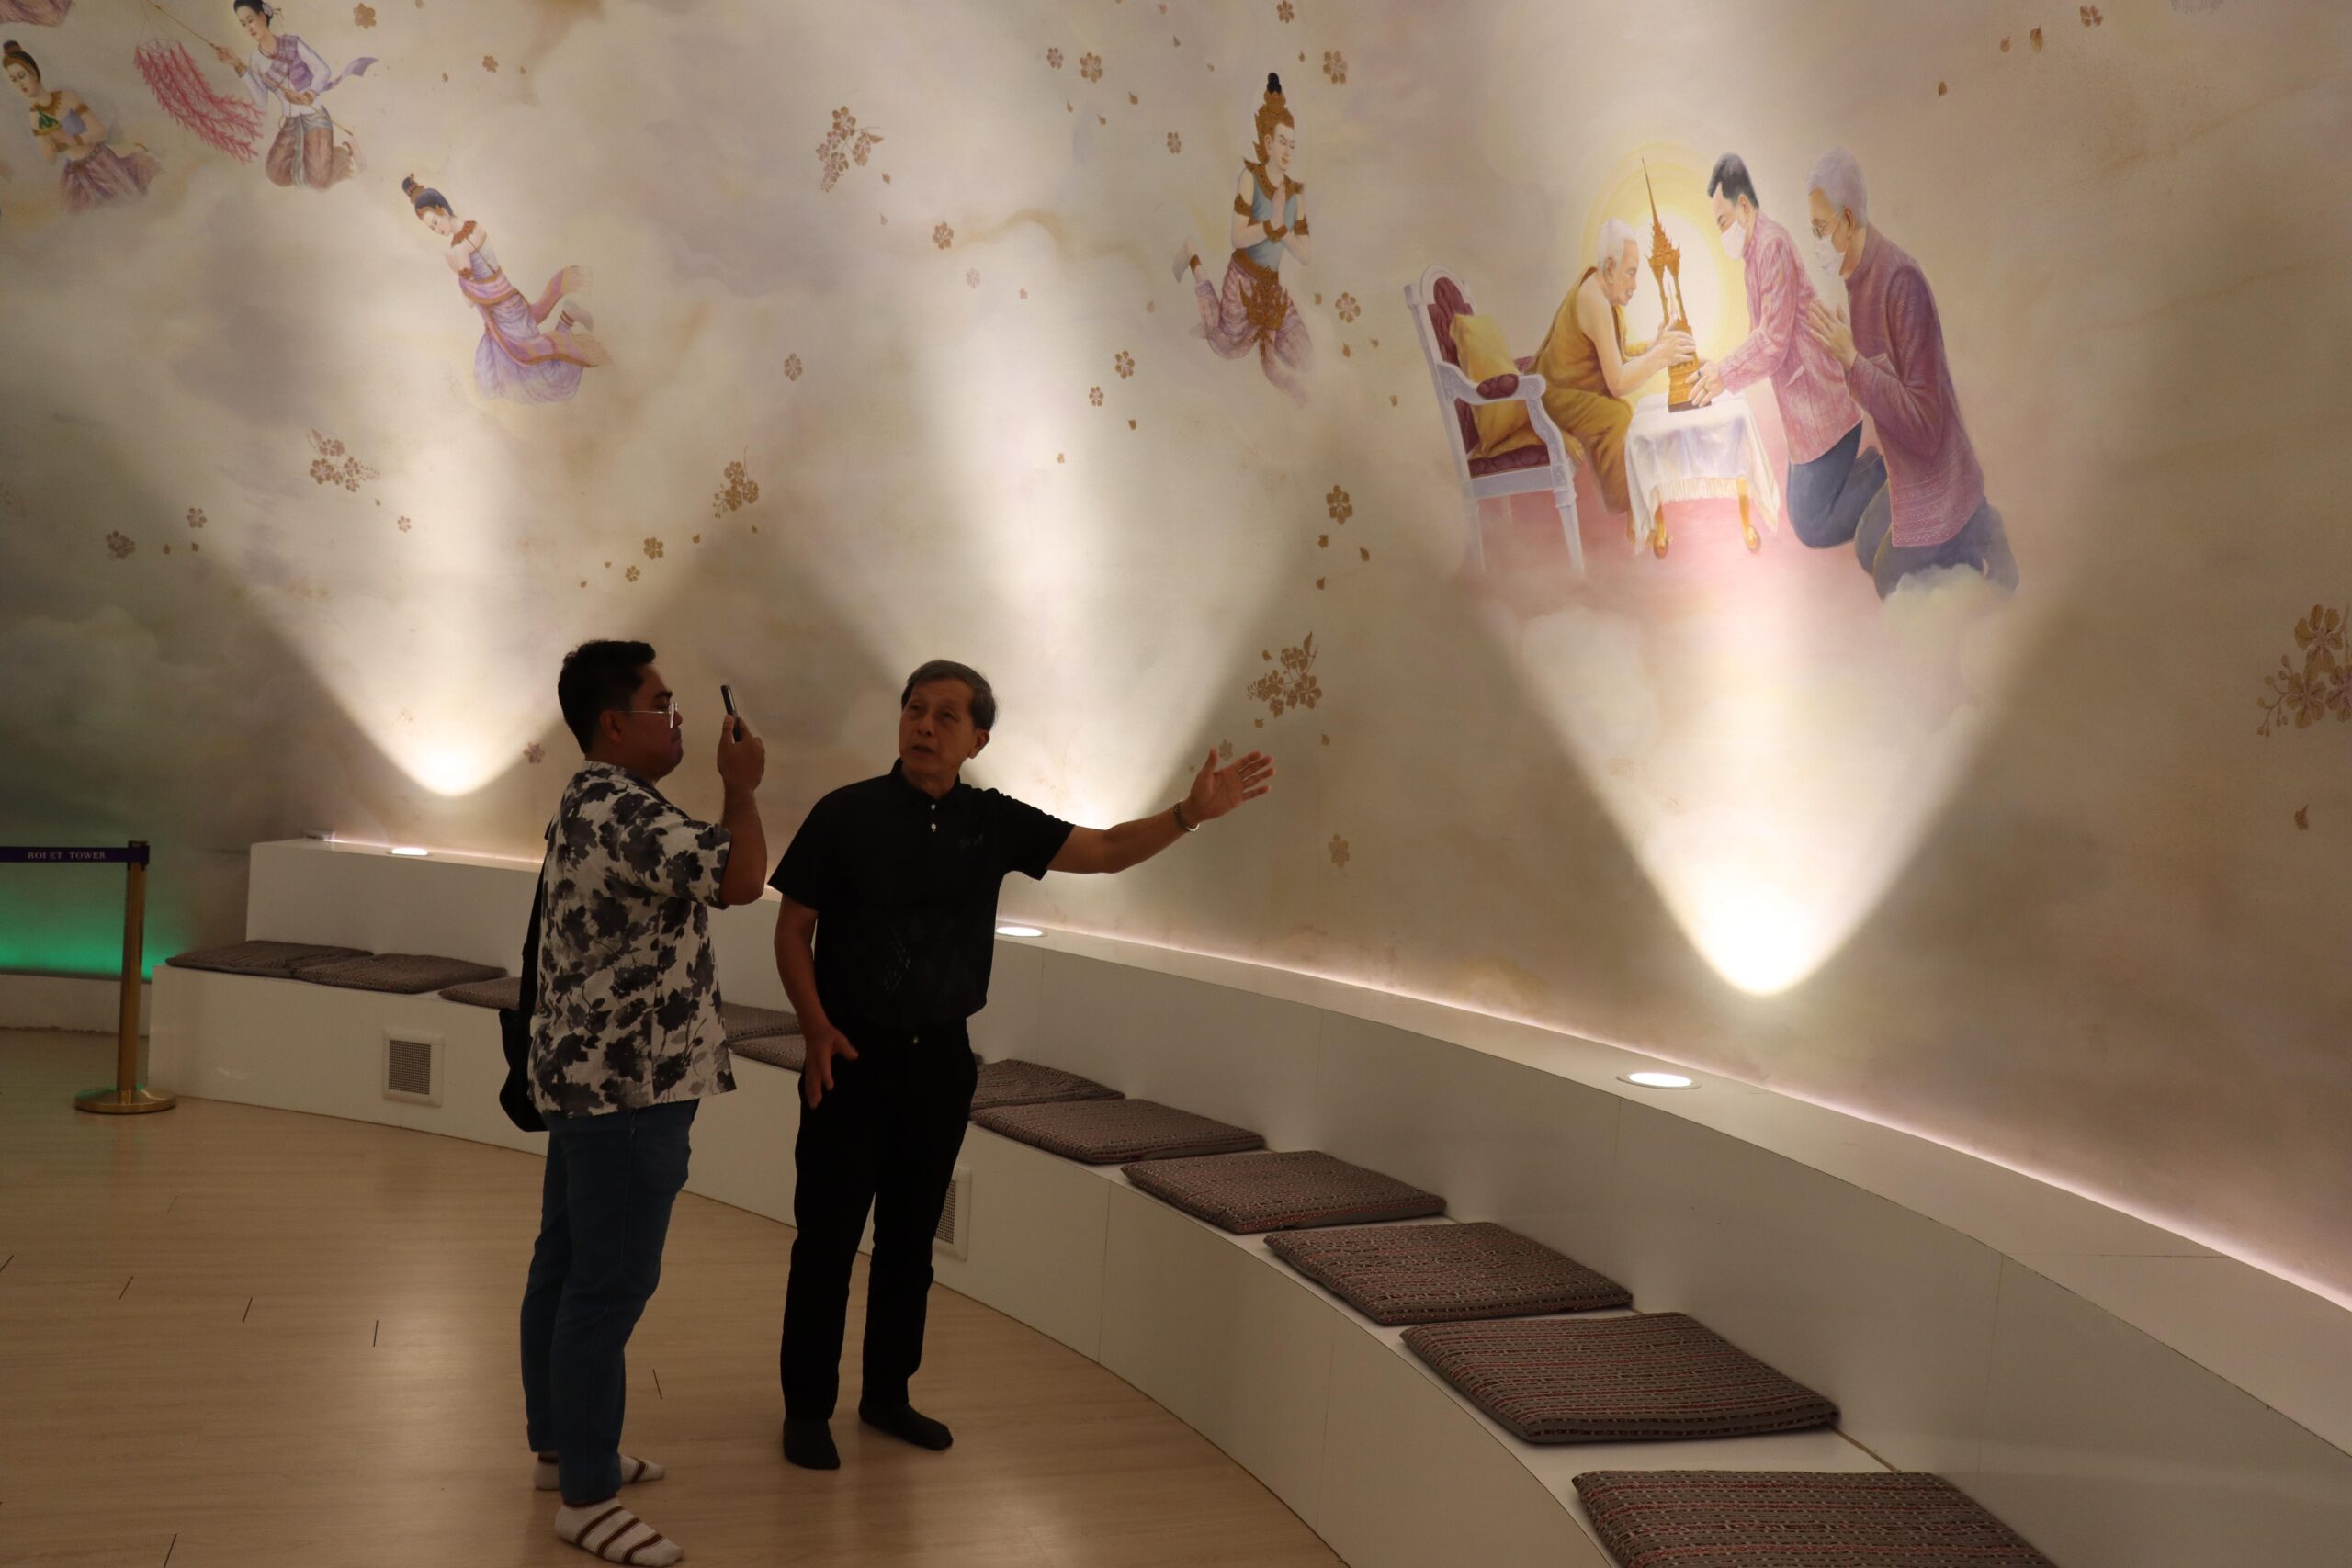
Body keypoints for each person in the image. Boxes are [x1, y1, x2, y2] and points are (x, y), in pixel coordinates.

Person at [770, 660, 1274, 1470]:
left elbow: (1105, 850)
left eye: (946, 715)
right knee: (827, 1240)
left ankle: (888, 1395)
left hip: (941, 1062)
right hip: (849, 1055)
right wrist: (815, 1027)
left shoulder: (992, 821)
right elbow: (793, 929)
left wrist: (1189, 814)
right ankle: (806, 1409)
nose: (924, 725)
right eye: (915, 709)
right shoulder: (845, 814)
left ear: (978, 739)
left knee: (909, 1243)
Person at [520, 640, 768, 1566]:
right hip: (630, 1086)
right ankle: (587, 1500)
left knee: (566, 1266)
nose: (677, 718)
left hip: (588, 1078)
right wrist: (742, 788)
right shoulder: (623, 807)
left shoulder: (592, 799)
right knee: (607, 1286)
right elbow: (741, 878)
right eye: (662, 703)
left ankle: (564, 1448)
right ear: (612, 724)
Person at [1801, 148, 2018, 596]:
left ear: (1846, 220)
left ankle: (1975, 527)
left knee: (1890, 581)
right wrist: (1849, 361)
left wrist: (1853, 362)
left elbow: (1925, 426)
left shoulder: (1899, 282)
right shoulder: (1858, 278)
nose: (1816, 241)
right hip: (1907, 473)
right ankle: (1965, 539)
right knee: (1866, 546)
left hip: (1939, 481)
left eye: (1820, 229)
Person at [1690, 152, 1883, 552]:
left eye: (1723, 221)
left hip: (1822, 408)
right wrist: (1720, 372)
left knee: (1812, 526)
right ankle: (1874, 471)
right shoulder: (1754, 254)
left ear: (1744, 207)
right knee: (1803, 516)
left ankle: (1886, 478)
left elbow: (1773, 341)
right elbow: (1759, 335)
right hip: (1804, 415)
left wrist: (1724, 374)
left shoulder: (1772, 245)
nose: (1721, 232)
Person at [1521, 219, 1696, 517]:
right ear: (1611, 268)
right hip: (1554, 397)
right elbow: (1617, 383)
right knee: (1618, 414)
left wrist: (1654, 346)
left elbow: (1618, 355)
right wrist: (1660, 357)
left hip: (1566, 390)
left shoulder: (1603, 292)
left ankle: (1640, 505)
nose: (1635, 284)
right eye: (1631, 273)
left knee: (1629, 413)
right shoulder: (1594, 300)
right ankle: (1630, 507)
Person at [403, 174, 611, 404]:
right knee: (531, 359)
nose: (436, 230)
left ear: (442, 210)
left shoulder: (459, 250)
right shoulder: (475, 227)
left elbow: (471, 301)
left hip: (504, 315)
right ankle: (567, 317)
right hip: (513, 302)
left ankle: (568, 318)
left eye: (434, 222)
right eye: (431, 229)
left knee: (539, 372)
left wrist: (460, 279)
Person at [1172, 72, 1313, 404]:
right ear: (1267, 142)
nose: (1288, 151)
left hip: (1272, 288)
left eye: (1292, 144)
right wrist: (1268, 226)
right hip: (1243, 281)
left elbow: (1305, 254)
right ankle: (1192, 258)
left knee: (1304, 354)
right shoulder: (1250, 179)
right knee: (1226, 344)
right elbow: (1237, 238)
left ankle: (1306, 396)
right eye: (1282, 142)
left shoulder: (1294, 195)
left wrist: (1282, 231)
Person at [213, 0, 375, 191]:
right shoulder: (255, 61)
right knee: (275, 173)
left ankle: (344, 151)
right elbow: (261, 101)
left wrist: (309, 94)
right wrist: (238, 66)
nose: (249, 28)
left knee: (318, 181)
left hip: (314, 117)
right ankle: (315, 157)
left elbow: (323, 70)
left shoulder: (292, 43)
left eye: (250, 20)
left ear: (262, 17)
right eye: (243, 24)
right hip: (291, 123)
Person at [5, 39, 160, 211]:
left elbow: (101, 132)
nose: (20, 84)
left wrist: (72, 140)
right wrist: (49, 144)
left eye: (21, 76)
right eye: (13, 79)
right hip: (76, 175)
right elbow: (50, 159)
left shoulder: (66, 98)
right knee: (91, 219)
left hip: (101, 162)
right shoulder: (34, 117)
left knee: (131, 205)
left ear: (33, 73)